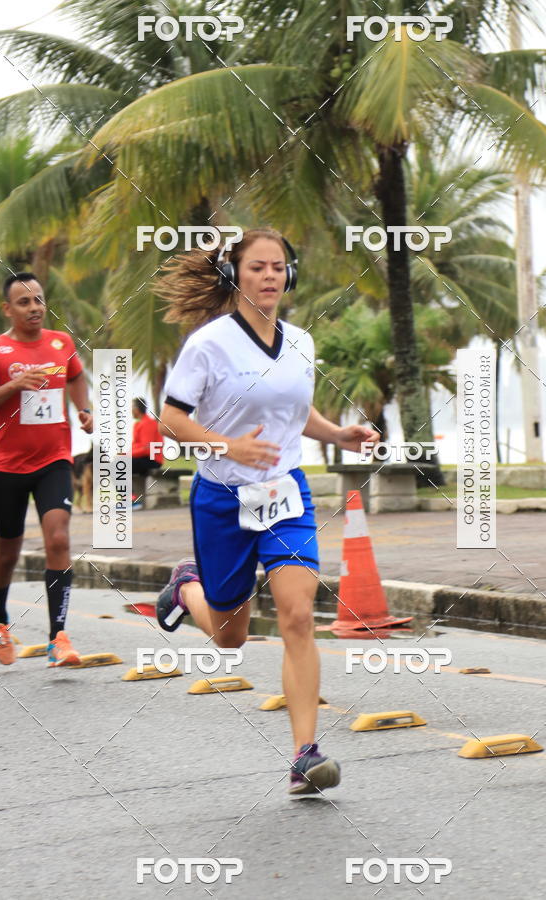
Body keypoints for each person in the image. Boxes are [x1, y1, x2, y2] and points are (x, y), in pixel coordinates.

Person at [154, 228, 379, 795]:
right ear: (235, 275)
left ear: (290, 275)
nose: (271, 276)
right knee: (230, 638)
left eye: (279, 266)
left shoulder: (300, 342)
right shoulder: (208, 344)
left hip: (286, 494)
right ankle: (186, 589)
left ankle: (305, 754)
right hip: (222, 500)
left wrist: (340, 435)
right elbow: (172, 419)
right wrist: (228, 445)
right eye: (258, 267)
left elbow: (295, 412)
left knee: (298, 614)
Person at [0, 272, 93, 666]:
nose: (34, 307)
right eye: (24, 302)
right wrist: (15, 385)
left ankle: (59, 637)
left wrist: (83, 409)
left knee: (58, 540)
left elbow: (76, 376)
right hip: (5, 466)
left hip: (54, 459)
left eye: (38, 300)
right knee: (7, 552)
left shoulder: (61, 342)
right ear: (8, 309)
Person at [131, 397, 163, 508]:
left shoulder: (148, 423)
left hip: (152, 460)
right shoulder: (138, 424)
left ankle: (132, 501)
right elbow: (136, 447)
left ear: (136, 409)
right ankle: (131, 500)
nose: (130, 410)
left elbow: (147, 449)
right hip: (143, 459)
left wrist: (127, 455)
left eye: (131, 407)